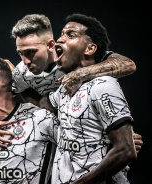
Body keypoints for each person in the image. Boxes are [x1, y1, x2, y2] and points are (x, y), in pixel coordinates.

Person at [0, 14, 142, 153]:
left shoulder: (73, 59)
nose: (25, 61)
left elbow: (128, 64)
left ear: (51, 45)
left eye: (31, 52)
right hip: (61, 136)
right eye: (21, 53)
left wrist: (80, 73)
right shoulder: (20, 74)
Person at [44, 13, 136, 183]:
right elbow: (42, 104)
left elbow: (126, 150)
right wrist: (15, 83)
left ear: (90, 49)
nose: (60, 39)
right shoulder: (66, 86)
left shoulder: (103, 85)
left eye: (71, 35)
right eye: (62, 34)